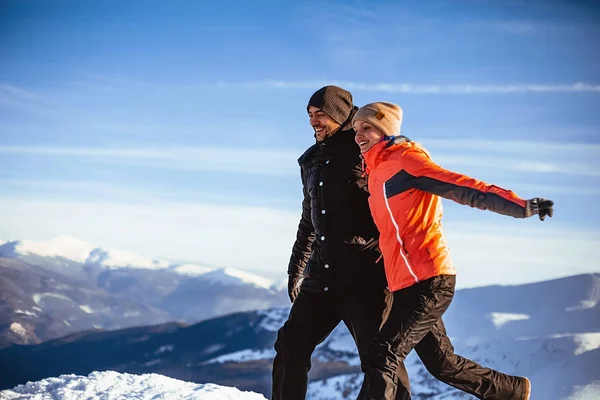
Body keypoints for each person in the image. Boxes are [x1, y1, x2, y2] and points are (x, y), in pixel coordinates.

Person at [352, 102, 553, 400]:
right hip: (405, 283)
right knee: (441, 364)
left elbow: (462, 187)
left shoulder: (406, 160)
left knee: (381, 357)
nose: (359, 135)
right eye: (356, 129)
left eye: (367, 127)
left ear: (385, 130)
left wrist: (520, 206)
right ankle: (512, 391)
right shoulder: (376, 171)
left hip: (430, 278)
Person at [271, 88, 411, 400]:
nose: (313, 121)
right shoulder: (310, 160)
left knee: (380, 362)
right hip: (321, 274)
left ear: (340, 113)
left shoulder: (367, 151)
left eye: (320, 113)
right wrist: (297, 270)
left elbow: (396, 206)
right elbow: (309, 219)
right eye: (309, 114)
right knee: (290, 344)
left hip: (366, 275)